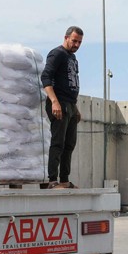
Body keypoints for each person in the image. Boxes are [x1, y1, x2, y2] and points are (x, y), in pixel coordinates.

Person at [41, 26, 83, 188]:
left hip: (70, 104)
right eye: (74, 41)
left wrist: (75, 108)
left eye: (79, 42)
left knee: (69, 144)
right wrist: (54, 101)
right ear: (66, 38)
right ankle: (52, 180)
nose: (76, 45)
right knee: (58, 142)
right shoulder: (57, 53)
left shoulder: (72, 58)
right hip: (59, 103)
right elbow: (46, 77)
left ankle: (64, 180)